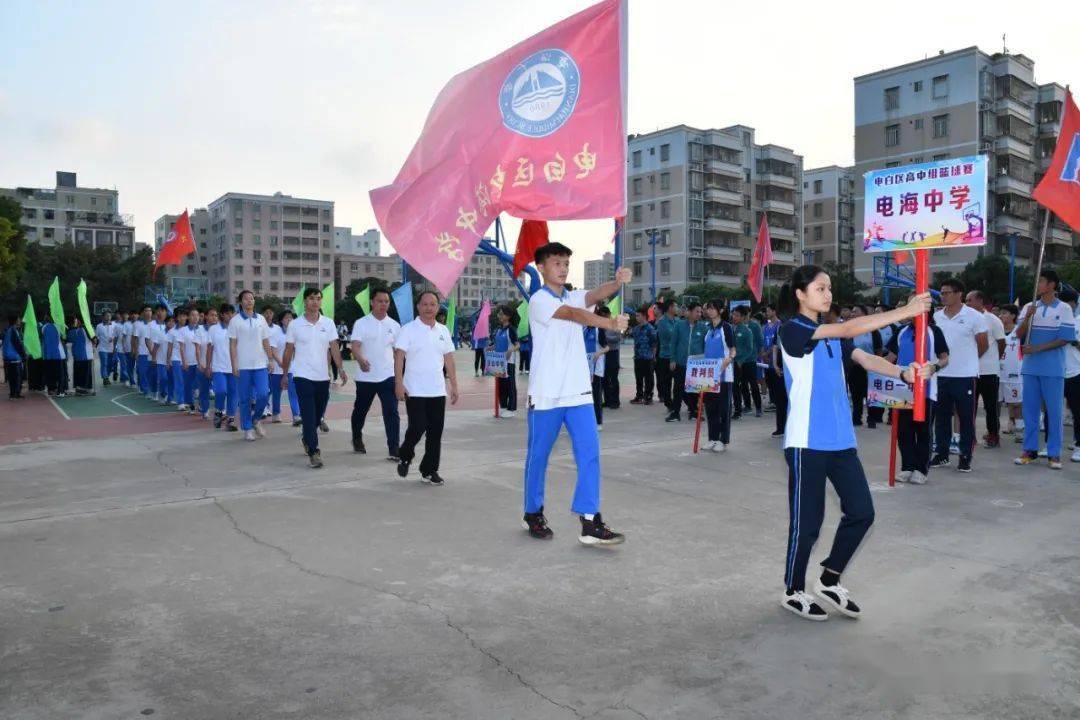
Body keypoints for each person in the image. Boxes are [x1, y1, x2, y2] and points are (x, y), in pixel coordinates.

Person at [777, 264, 931, 621]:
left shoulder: (835, 336)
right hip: (806, 442)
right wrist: (906, 311)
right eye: (819, 288)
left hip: (841, 441)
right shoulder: (795, 329)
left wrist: (904, 372)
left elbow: (865, 358)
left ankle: (830, 578)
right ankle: (793, 589)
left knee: (862, 512)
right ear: (801, 294)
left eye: (829, 288)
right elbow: (848, 326)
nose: (827, 294)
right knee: (808, 522)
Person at [520, 242, 628, 545]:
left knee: (590, 454)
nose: (563, 268)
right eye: (557, 263)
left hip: (579, 394)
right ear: (541, 267)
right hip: (546, 396)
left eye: (566, 263)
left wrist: (617, 282)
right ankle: (533, 512)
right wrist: (609, 323)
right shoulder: (540, 300)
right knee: (538, 457)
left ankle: (590, 520)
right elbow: (572, 314)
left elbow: (595, 295)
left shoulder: (573, 294)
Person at [394, 291, 459, 485]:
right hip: (414, 389)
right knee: (418, 426)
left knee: (435, 432)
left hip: (437, 390)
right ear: (418, 306)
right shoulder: (408, 329)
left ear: (438, 307)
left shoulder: (443, 331)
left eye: (433, 304)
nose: (429, 308)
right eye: (425, 304)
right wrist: (398, 383)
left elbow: (448, 358)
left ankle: (429, 470)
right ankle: (405, 454)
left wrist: (454, 384)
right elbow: (399, 356)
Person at [281, 287, 348, 468]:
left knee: (318, 416)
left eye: (318, 298)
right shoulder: (295, 325)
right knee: (309, 417)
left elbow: (334, 347)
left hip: (322, 377)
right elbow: (288, 351)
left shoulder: (328, 323)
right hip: (302, 376)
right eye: (311, 298)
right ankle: (314, 451)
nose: (315, 302)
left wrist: (340, 369)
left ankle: (307, 437)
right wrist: (285, 374)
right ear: (305, 301)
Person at [1014, 270, 1075, 470]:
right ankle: (1029, 450)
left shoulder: (1064, 308)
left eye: (1040, 281)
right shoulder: (1029, 307)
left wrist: (1038, 348)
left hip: (1053, 368)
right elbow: (1018, 334)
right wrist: (1027, 318)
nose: (1037, 284)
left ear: (1052, 285)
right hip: (1030, 367)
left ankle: (1053, 453)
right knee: (1030, 411)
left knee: (1054, 412)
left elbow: (1065, 338)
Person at [930, 279, 987, 473]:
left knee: (965, 418)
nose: (943, 296)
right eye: (941, 293)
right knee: (942, 417)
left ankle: (965, 456)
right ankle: (942, 454)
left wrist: (968, 362)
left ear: (959, 294)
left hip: (965, 376)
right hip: (941, 375)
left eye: (946, 292)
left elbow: (983, 344)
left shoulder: (973, 316)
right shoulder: (937, 317)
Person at [886, 316, 950, 484]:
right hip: (902, 389)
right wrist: (874, 369)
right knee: (903, 430)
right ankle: (907, 467)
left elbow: (944, 357)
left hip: (926, 389)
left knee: (923, 430)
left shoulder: (934, 331)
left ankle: (921, 469)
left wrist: (934, 367)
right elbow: (891, 357)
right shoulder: (901, 331)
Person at [349, 288, 401, 459]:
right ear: (372, 302)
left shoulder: (394, 325)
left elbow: (398, 353)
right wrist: (360, 359)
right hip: (366, 377)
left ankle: (394, 448)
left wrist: (401, 376)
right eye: (380, 301)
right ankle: (357, 437)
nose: (383, 304)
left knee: (391, 412)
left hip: (388, 376)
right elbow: (355, 346)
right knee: (360, 411)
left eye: (386, 301)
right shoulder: (361, 323)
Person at [228, 290, 272, 442]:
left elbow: (266, 341)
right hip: (243, 366)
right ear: (241, 302)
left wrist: (270, 359)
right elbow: (232, 345)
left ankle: (256, 418)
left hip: (260, 364)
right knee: (245, 399)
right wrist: (234, 364)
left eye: (251, 298)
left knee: (263, 394)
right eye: (246, 299)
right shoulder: (235, 321)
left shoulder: (260, 319)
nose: (249, 301)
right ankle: (247, 428)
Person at [966, 290, 1007, 448]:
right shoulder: (967, 318)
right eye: (966, 300)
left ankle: (993, 435)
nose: (967, 303)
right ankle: (970, 436)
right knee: (970, 406)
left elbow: (1002, 343)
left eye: (970, 300)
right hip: (970, 371)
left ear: (980, 301)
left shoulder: (992, 320)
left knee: (990, 406)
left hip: (989, 371)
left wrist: (994, 360)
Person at [702, 299, 736, 452]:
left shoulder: (726, 328)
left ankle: (723, 440)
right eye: (708, 308)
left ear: (721, 310)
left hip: (724, 376)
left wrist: (726, 362)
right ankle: (712, 438)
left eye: (713, 308)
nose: (709, 311)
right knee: (710, 409)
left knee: (723, 409)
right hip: (709, 376)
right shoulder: (708, 329)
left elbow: (733, 350)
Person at [666, 302, 707, 422]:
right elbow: (673, 343)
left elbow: (705, 346)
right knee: (678, 388)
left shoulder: (703, 327)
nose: (699, 314)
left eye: (700, 312)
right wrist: (673, 359)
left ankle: (693, 412)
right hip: (680, 362)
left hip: (696, 364)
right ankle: (675, 412)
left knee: (694, 389)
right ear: (689, 312)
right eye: (697, 311)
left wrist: (704, 362)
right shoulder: (679, 325)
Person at [846, 306, 882, 428]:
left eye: (856, 311)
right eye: (852, 311)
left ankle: (871, 418)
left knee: (871, 394)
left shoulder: (873, 331)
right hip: (855, 367)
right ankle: (856, 417)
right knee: (856, 394)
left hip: (871, 367)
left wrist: (877, 364)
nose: (853, 313)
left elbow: (878, 350)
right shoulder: (850, 330)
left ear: (864, 314)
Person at [206, 304, 238, 431]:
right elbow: (210, 349)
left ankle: (230, 419)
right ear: (222, 315)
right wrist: (208, 366)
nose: (230, 316)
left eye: (232, 313)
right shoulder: (214, 329)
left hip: (234, 367)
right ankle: (219, 411)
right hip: (218, 367)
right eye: (227, 313)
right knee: (220, 391)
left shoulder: (237, 329)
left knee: (233, 393)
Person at [1057, 290, 1080, 463]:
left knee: (1077, 411)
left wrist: (1071, 340)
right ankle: (1051, 445)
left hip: (1075, 372)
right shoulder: (1055, 320)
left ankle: (1078, 445)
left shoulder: (1078, 322)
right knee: (1053, 411)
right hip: (1056, 371)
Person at [732, 306, 763, 419]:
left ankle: (758, 408)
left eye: (737, 315)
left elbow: (753, 345)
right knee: (741, 385)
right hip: (736, 362)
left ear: (744, 316)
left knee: (753, 384)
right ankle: (745, 406)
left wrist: (759, 354)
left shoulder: (751, 328)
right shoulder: (732, 328)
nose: (734, 317)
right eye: (733, 314)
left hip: (749, 361)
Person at [997, 304, 1023, 436]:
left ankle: (1019, 427)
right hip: (997, 372)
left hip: (1014, 373)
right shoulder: (997, 330)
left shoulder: (1019, 331)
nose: (1001, 315)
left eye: (1004, 313)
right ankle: (996, 427)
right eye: (1000, 313)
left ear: (1013, 316)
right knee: (998, 402)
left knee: (1016, 403)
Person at [490, 305, 520, 418]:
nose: (499, 316)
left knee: (510, 385)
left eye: (501, 314)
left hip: (509, 362)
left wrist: (511, 350)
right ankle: (502, 406)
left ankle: (511, 409)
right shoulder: (498, 329)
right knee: (500, 385)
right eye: (499, 314)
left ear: (508, 316)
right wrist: (490, 348)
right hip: (498, 362)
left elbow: (517, 345)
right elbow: (497, 344)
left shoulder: (511, 329)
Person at [584, 306, 610, 429]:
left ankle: (598, 421)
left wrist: (598, 353)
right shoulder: (582, 329)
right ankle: (586, 420)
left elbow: (607, 347)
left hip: (595, 368)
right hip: (583, 367)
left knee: (596, 395)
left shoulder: (598, 329)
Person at [630, 308, 657, 405]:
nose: (636, 317)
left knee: (648, 379)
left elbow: (654, 344)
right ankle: (639, 396)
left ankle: (648, 396)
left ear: (644, 316)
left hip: (648, 358)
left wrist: (653, 357)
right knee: (638, 378)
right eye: (636, 315)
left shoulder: (650, 328)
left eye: (638, 315)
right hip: (638, 357)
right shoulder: (636, 329)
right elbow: (635, 343)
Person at [656, 300, 678, 409]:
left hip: (676, 356)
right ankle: (669, 403)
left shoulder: (676, 320)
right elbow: (670, 336)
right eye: (675, 306)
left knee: (678, 381)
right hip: (666, 356)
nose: (677, 308)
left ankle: (675, 401)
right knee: (667, 382)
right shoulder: (662, 322)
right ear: (670, 308)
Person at [66, 316, 95, 395]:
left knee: (81, 372)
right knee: (86, 373)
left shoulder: (77, 331)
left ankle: (81, 388)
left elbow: (68, 338)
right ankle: (88, 388)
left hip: (81, 355)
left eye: (76, 320)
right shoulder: (89, 329)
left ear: (79, 321)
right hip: (87, 355)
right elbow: (95, 340)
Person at [761, 305, 782, 411]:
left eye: (769, 311)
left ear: (774, 311)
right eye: (766, 311)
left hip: (775, 358)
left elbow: (776, 344)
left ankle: (777, 402)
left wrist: (767, 354)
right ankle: (773, 401)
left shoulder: (780, 325)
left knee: (776, 381)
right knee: (769, 380)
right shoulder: (765, 327)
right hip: (766, 360)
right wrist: (763, 355)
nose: (767, 313)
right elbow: (762, 342)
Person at [180, 308, 200, 414]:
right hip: (188, 362)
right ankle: (191, 405)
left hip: (200, 363)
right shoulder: (183, 330)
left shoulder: (202, 329)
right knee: (188, 385)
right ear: (188, 317)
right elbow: (182, 347)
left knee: (199, 384)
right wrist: (184, 361)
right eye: (192, 315)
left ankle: (201, 403)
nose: (195, 317)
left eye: (197, 315)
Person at [194, 307, 213, 420]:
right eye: (211, 315)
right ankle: (205, 410)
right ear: (206, 316)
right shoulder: (199, 330)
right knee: (204, 390)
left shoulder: (220, 329)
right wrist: (200, 363)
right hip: (203, 365)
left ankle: (222, 410)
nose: (214, 317)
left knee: (222, 389)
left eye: (216, 315)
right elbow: (197, 348)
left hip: (218, 366)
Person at [41, 316, 66, 397]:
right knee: (60, 374)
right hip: (58, 354)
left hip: (47, 354)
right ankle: (60, 391)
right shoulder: (58, 326)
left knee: (50, 373)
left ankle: (51, 390)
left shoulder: (43, 327)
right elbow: (64, 337)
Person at [3, 315, 26, 399]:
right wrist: (24, 355)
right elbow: (18, 344)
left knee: (12, 377)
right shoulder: (13, 330)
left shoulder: (8, 330)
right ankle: (15, 394)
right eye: (19, 319)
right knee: (17, 377)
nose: (20, 321)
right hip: (14, 358)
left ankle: (14, 393)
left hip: (8, 358)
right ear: (15, 321)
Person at [95, 312, 115, 387]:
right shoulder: (99, 326)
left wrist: (112, 338)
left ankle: (107, 375)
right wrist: (94, 344)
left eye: (109, 315)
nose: (108, 317)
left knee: (110, 364)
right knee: (104, 363)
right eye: (107, 316)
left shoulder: (114, 325)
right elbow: (96, 336)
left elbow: (116, 335)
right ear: (103, 317)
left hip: (112, 348)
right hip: (102, 348)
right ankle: (105, 378)